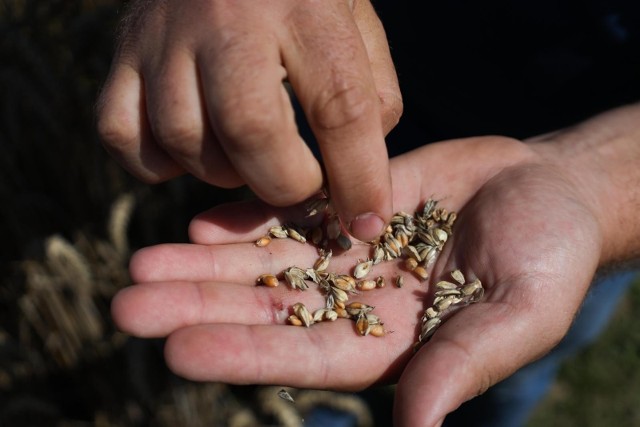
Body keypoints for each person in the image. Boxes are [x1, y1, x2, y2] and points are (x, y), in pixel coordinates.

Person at [96, 1, 640, 425]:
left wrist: (590, 186)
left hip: (604, 150)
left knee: (516, 366)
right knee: (310, 375)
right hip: (354, 79)